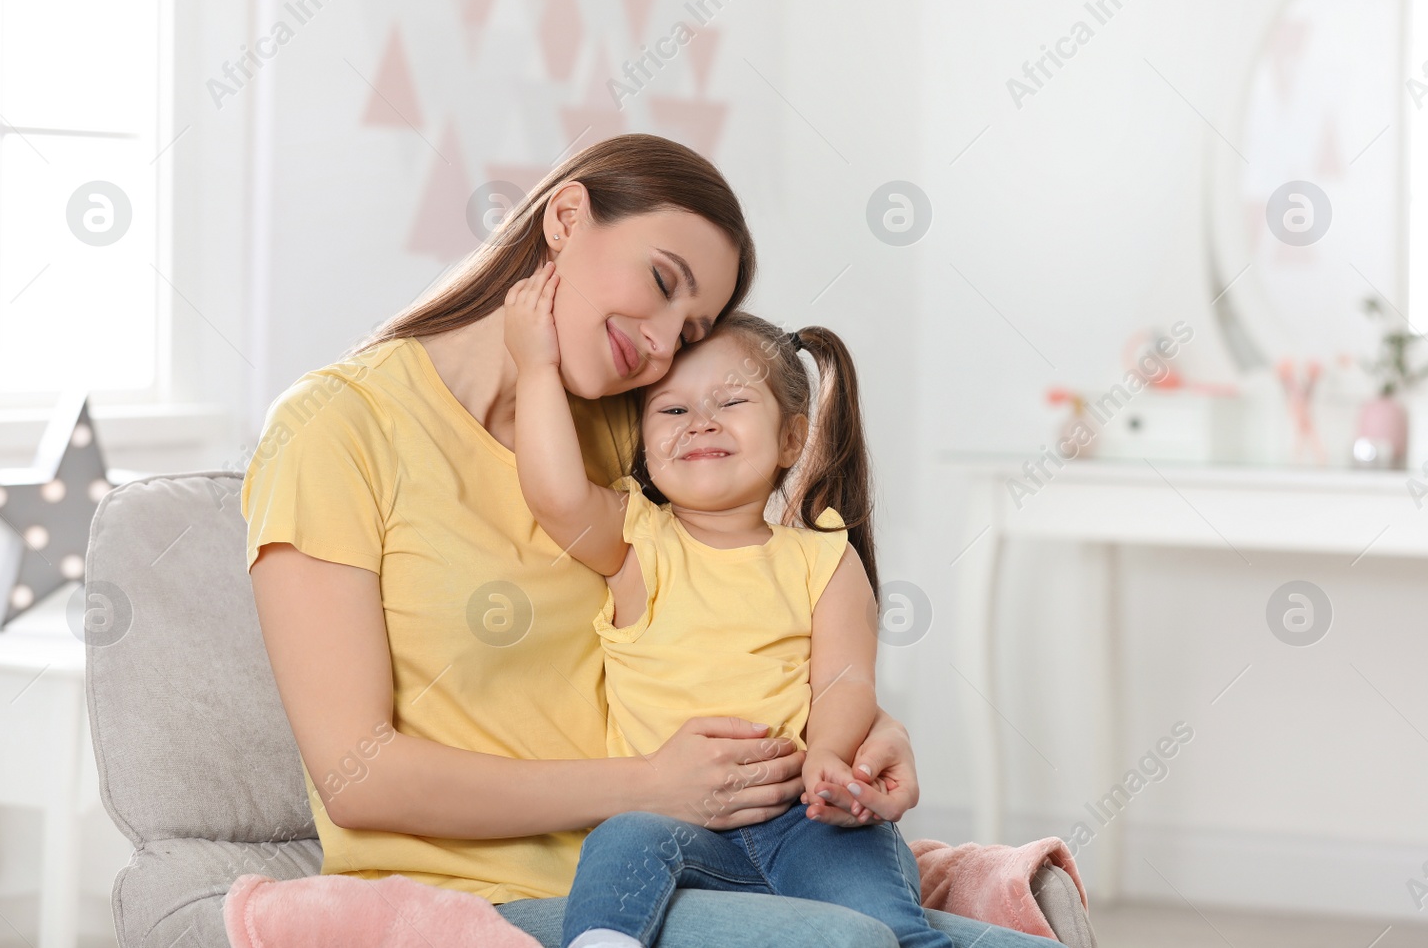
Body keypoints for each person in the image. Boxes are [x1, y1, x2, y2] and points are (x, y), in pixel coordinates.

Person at [244, 133, 1053, 947]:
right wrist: (648, 785)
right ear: (566, 217)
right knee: (844, 942)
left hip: (702, 856)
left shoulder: (633, 425)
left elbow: (737, 613)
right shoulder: (334, 429)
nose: (665, 345)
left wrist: (867, 733)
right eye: (663, 281)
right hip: (484, 896)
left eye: (692, 324)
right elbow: (357, 776)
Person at [504, 266, 954, 948]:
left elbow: (844, 679)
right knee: (621, 840)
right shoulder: (636, 543)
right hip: (670, 820)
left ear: (792, 440)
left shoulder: (823, 557)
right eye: (673, 409)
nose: (700, 422)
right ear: (646, 448)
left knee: (887, 926)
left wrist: (827, 761)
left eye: (731, 402)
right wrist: (535, 365)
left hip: (802, 820)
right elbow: (558, 493)